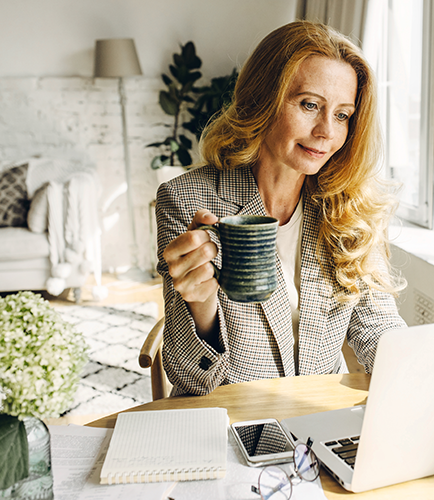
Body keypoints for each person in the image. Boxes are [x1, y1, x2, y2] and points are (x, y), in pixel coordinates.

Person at [155, 20, 407, 396]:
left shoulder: (351, 208)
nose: (326, 131)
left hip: (318, 427)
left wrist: (424, 373)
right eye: (310, 105)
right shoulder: (187, 199)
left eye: (342, 115)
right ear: (263, 100)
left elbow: (377, 328)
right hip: (229, 428)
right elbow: (191, 379)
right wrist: (202, 305)